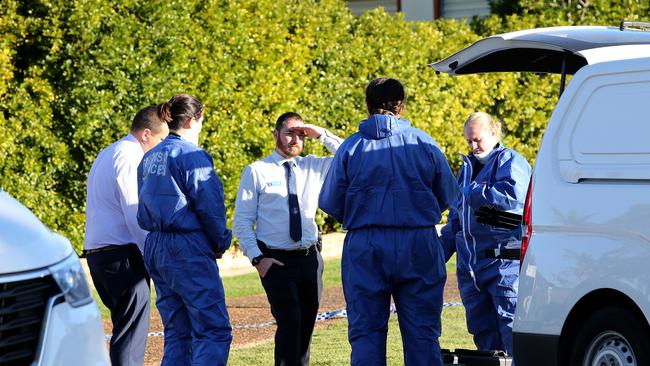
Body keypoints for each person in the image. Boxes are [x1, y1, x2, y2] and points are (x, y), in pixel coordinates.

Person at [318, 77, 459, 366]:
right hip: (418, 240)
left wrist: (362, 215)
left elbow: (330, 201)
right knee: (422, 334)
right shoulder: (424, 142)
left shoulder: (350, 147)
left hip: (365, 243)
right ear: (401, 106)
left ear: (368, 107)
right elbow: (448, 193)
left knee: (366, 333)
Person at [233, 112, 343, 366]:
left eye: (301, 134)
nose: (295, 139)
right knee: (289, 323)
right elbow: (242, 221)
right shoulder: (257, 171)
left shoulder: (313, 166)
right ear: (276, 134)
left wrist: (322, 134)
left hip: (310, 259)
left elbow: (349, 156)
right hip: (276, 260)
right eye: (289, 133)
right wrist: (258, 259)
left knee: (305, 327)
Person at [137, 94, 232, 366]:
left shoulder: (149, 156)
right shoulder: (192, 156)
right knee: (212, 329)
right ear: (192, 120)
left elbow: (142, 204)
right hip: (187, 246)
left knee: (178, 331)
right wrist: (220, 241)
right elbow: (210, 207)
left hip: (156, 245)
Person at [440, 112, 532, 358]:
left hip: (503, 265)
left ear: (493, 133)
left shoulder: (510, 161)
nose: (473, 146)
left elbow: (513, 197)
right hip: (471, 269)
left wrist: (475, 191)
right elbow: (457, 220)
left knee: (511, 330)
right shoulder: (467, 168)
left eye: (477, 140)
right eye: (469, 141)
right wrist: (437, 254)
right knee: (483, 336)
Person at [84, 104, 169, 366]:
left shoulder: (110, 152)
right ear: (146, 134)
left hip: (103, 255)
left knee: (125, 328)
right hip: (122, 256)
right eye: (162, 138)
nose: (163, 146)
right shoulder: (130, 156)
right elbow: (135, 211)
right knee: (131, 335)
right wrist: (151, 252)